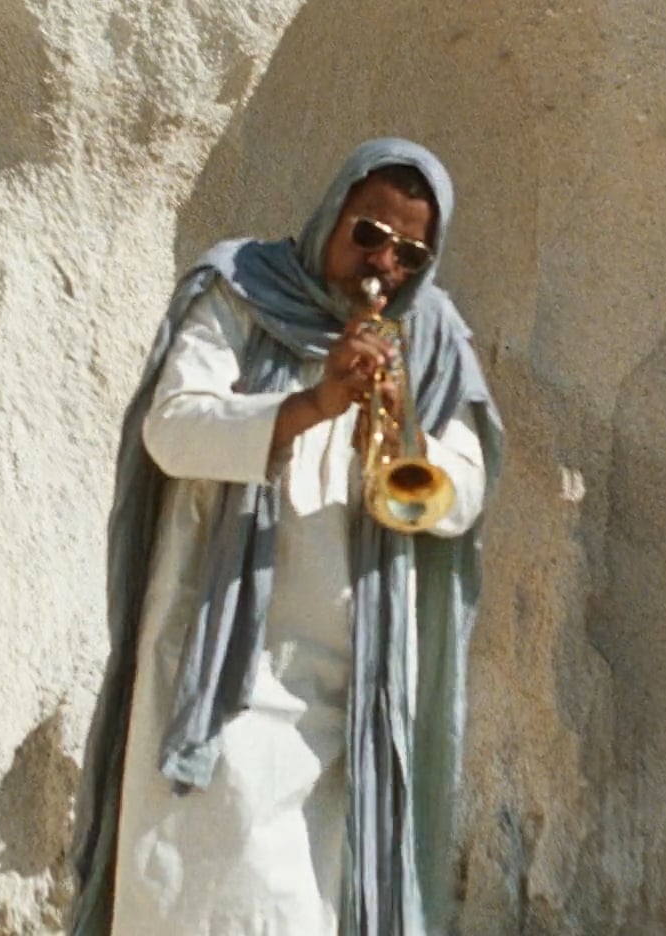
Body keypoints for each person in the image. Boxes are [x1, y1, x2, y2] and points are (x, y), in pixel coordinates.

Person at [68, 139, 503, 935]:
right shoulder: (242, 289)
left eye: (409, 254)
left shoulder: (433, 336)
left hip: (353, 686)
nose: (384, 265)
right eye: (369, 234)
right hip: (222, 659)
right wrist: (312, 405)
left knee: (315, 903)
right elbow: (172, 429)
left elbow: (463, 493)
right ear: (332, 212)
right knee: (205, 894)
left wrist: (405, 433)